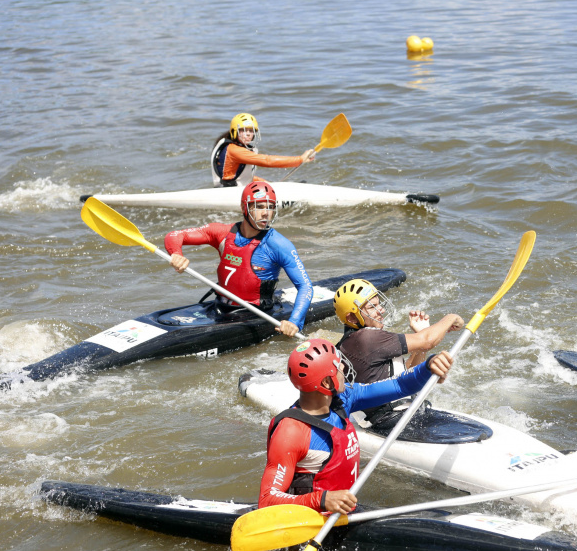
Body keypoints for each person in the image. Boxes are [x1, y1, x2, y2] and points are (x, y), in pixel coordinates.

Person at [258, 338, 454, 513]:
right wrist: (322, 500)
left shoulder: (344, 398)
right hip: (313, 521)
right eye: (338, 366)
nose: (343, 368)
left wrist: (429, 367)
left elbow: (399, 385)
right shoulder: (290, 432)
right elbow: (267, 499)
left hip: (343, 512)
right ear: (327, 382)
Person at [164, 180, 312, 338]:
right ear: (244, 208)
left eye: (270, 207)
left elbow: (305, 286)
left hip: (256, 313)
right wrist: (177, 253)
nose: (266, 213)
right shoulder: (222, 233)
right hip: (220, 307)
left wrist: (294, 322)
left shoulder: (279, 244)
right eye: (259, 206)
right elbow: (174, 235)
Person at [332, 278, 464, 427]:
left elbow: (406, 375)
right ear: (352, 318)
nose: (381, 309)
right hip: (390, 421)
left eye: (379, 304)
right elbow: (428, 340)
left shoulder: (353, 340)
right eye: (372, 307)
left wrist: (421, 348)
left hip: (394, 415)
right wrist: (450, 318)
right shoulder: (366, 338)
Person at [210, 112, 315, 187]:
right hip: (228, 193)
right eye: (243, 130)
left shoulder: (234, 146)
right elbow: (266, 160)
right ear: (234, 132)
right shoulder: (234, 150)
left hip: (233, 189)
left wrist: (268, 184)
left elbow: (245, 178)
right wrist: (299, 159)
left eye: (251, 131)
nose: (248, 134)